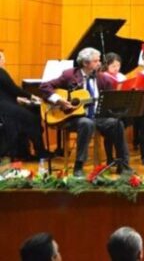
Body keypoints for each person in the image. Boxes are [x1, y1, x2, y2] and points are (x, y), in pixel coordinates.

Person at [40, 47, 131, 177]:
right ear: (85, 63)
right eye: (95, 61)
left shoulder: (104, 79)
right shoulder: (70, 75)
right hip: (73, 118)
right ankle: (78, 166)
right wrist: (59, 100)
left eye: (99, 60)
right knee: (86, 123)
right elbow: (44, 86)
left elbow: (111, 102)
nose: (99, 63)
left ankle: (123, 165)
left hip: (97, 117)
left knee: (117, 123)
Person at [0, 49, 47, 160]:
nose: (4, 60)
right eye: (2, 58)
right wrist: (31, 96)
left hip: (5, 105)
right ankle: (40, 152)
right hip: (4, 107)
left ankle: (24, 152)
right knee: (33, 119)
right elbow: (13, 88)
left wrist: (18, 98)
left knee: (28, 116)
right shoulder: (1, 72)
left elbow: (5, 90)